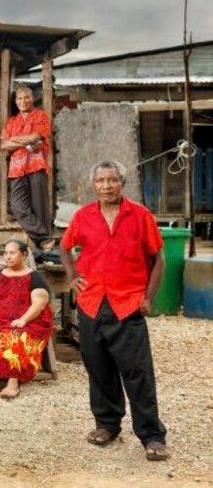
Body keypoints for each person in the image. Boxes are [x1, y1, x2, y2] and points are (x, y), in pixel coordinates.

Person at [60, 160, 169, 461]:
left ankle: (152, 435)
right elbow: (65, 247)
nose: (106, 186)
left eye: (112, 180)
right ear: (93, 185)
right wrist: (72, 277)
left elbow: (159, 260)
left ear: (123, 182)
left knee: (138, 372)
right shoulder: (83, 216)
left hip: (128, 303)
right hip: (92, 302)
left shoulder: (140, 215)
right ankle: (107, 424)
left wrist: (148, 298)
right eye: (101, 181)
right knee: (99, 367)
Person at [0, 239, 53, 399]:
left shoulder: (34, 278)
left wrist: (24, 319)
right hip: (1, 317)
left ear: (24, 254)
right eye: (5, 253)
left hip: (31, 319)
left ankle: (13, 382)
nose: (8, 257)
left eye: (12, 253)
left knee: (17, 336)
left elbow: (39, 304)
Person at [0, 86, 55, 252]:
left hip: (36, 165)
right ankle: (44, 238)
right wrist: (27, 141)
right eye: (20, 98)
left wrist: (15, 140)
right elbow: (4, 145)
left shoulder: (40, 116)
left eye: (26, 98)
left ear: (32, 99)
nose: (23, 101)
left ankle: (44, 246)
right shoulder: (11, 122)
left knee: (40, 206)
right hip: (16, 169)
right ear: (16, 102)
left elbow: (35, 137)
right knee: (17, 207)